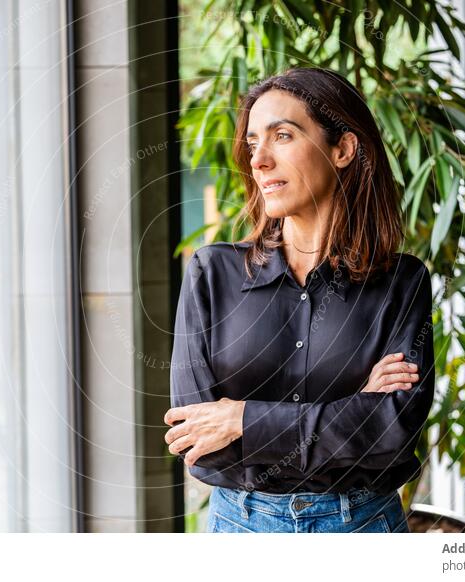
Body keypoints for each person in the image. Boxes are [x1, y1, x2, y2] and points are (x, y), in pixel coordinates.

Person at [164, 67, 434, 533]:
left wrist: (242, 417)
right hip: (239, 530)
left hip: (363, 530)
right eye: (252, 144)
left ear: (343, 149)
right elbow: (199, 440)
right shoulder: (212, 274)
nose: (259, 161)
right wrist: (355, 406)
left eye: (282, 136)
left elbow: (390, 432)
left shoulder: (401, 282)